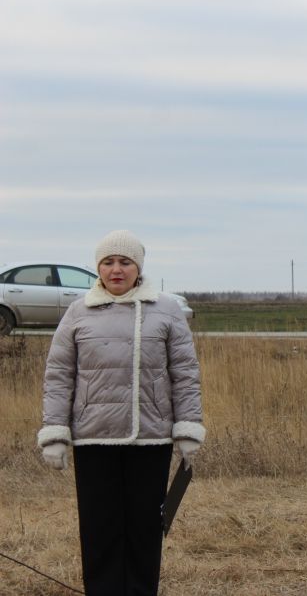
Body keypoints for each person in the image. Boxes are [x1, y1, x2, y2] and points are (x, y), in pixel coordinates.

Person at [37, 229, 205, 596]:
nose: (116, 270)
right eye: (108, 262)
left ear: (138, 267)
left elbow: (185, 371)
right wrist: (55, 430)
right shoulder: (78, 312)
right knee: (100, 530)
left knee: (146, 529)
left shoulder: (166, 310)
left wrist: (188, 427)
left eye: (124, 262)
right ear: (98, 268)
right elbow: (59, 374)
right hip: (93, 439)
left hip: (151, 438)